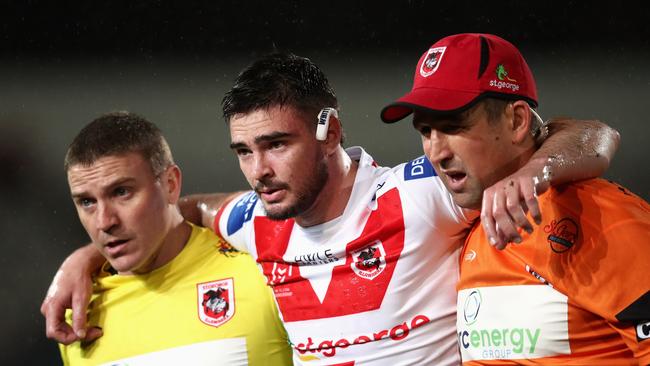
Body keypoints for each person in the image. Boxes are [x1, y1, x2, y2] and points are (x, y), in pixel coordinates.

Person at [43, 53, 620, 365]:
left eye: (277, 144)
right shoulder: (252, 221)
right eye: (243, 151)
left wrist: (528, 174)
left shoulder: (419, 193)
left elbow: (591, 135)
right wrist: (84, 257)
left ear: (330, 131)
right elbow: (178, 210)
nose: (258, 170)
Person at [381, 33, 650, 364]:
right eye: (425, 132)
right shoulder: (463, 221)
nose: (436, 152)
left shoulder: (598, 216)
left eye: (453, 127)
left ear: (518, 120)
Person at [58, 112, 291, 365]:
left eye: (121, 192)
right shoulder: (78, 315)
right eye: (87, 202)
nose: (104, 221)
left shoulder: (264, 272)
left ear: (170, 184)